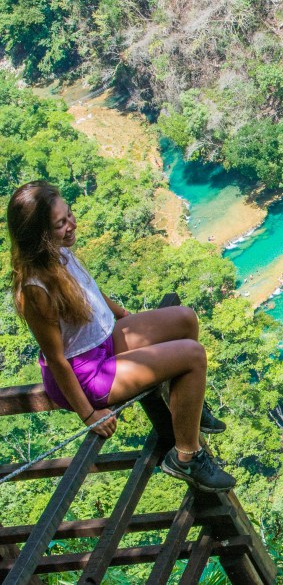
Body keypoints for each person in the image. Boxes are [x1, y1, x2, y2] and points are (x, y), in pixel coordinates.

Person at [6, 181, 235, 494]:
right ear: (38, 234)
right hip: (85, 374)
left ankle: (189, 411)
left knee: (184, 319)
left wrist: (122, 315)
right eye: (61, 223)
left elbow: (87, 288)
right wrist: (89, 414)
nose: (72, 224)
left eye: (69, 214)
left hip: (102, 342)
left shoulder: (58, 252)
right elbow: (57, 359)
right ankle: (186, 457)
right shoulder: (35, 289)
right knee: (192, 356)